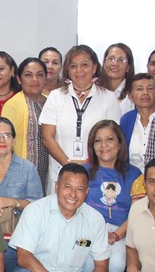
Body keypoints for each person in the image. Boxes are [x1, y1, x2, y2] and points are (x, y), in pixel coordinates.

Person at [41, 44, 122, 191]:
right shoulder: (56, 96)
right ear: (68, 70)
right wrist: (68, 164)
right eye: (73, 66)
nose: (79, 70)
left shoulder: (108, 98)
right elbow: (47, 137)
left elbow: (112, 139)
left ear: (94, 67)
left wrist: (88, 164)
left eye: (84, 65)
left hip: (96, 174)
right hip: (60, 172)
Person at [82, 120, 146, 272]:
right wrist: (96, 233)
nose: (104, 145)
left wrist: (116, 234)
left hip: (121, 233)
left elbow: (137, 213)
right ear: (92, 146)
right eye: (98, 140)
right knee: (87, 262)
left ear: (119, 143)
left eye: (110, 139)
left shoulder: (135, 174)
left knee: (116, 264)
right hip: (88, 231)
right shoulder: (83, 171)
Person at [0, 117, 43, 235]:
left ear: (13, 141)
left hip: (18, 235)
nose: (1, 140)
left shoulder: (28, 169)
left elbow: (38, 206)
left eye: (7, 135)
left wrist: (13, 202)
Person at [2, 57, 50, 189]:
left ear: (45, 78)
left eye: (40, 75)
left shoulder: (50, 102)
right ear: (19, 79)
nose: (35, 79)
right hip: (21, 175)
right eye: (28, 75)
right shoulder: (12, 105)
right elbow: (5, 144)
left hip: (48, 171)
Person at [119, 72, 155, 169]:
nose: (145, 93)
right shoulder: (125, 120)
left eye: (150, 88)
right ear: (130, 96)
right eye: (139, 89)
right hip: (132, 176)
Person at [101, 43, 135, 113]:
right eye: (111, 59)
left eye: (121, 60)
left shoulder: (133, 92)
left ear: (128, 67)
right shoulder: (95, 89)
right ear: (104, 63)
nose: (115, 64)